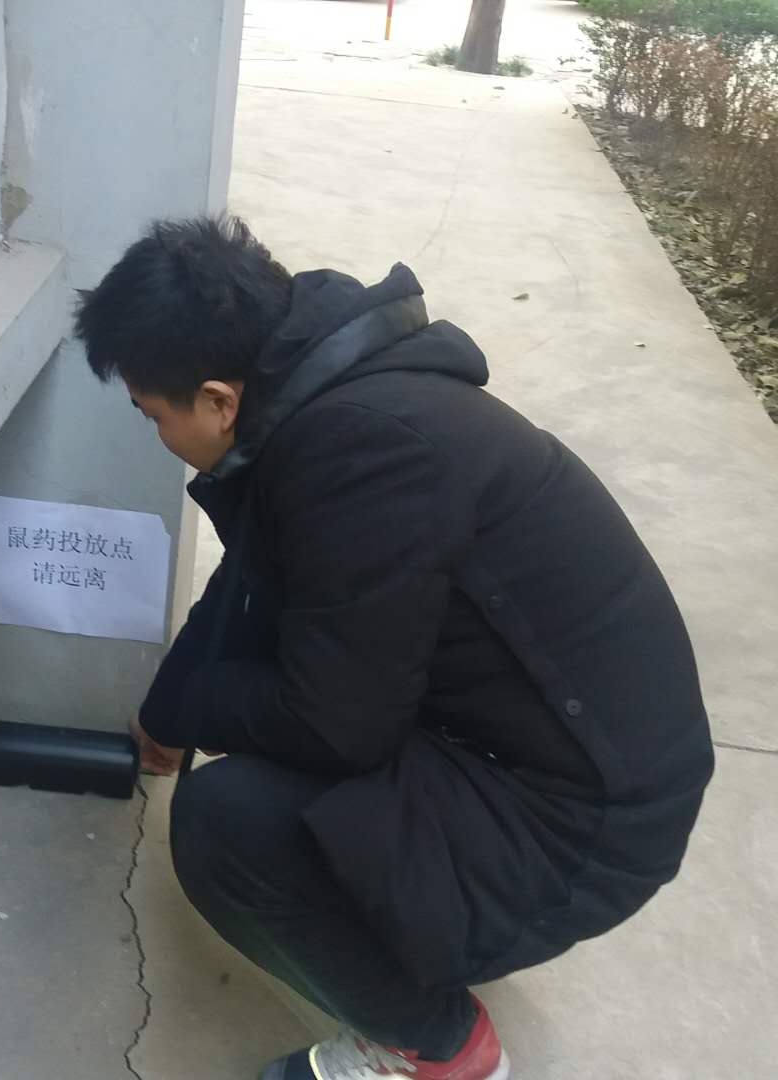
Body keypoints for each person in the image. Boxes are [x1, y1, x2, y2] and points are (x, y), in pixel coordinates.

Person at [74, 217, 716, 1080]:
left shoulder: (363, 455)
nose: (156, 432)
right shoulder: (325, 398)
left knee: (228, 824)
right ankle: (428, 919)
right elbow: (255, 580)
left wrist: (196, 710)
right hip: (550, 753)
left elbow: (333, 725)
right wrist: (168, 714)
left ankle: (433, 1044)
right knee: (267, 715)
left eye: (153, 414)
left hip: (580, 830)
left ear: (220, 400)